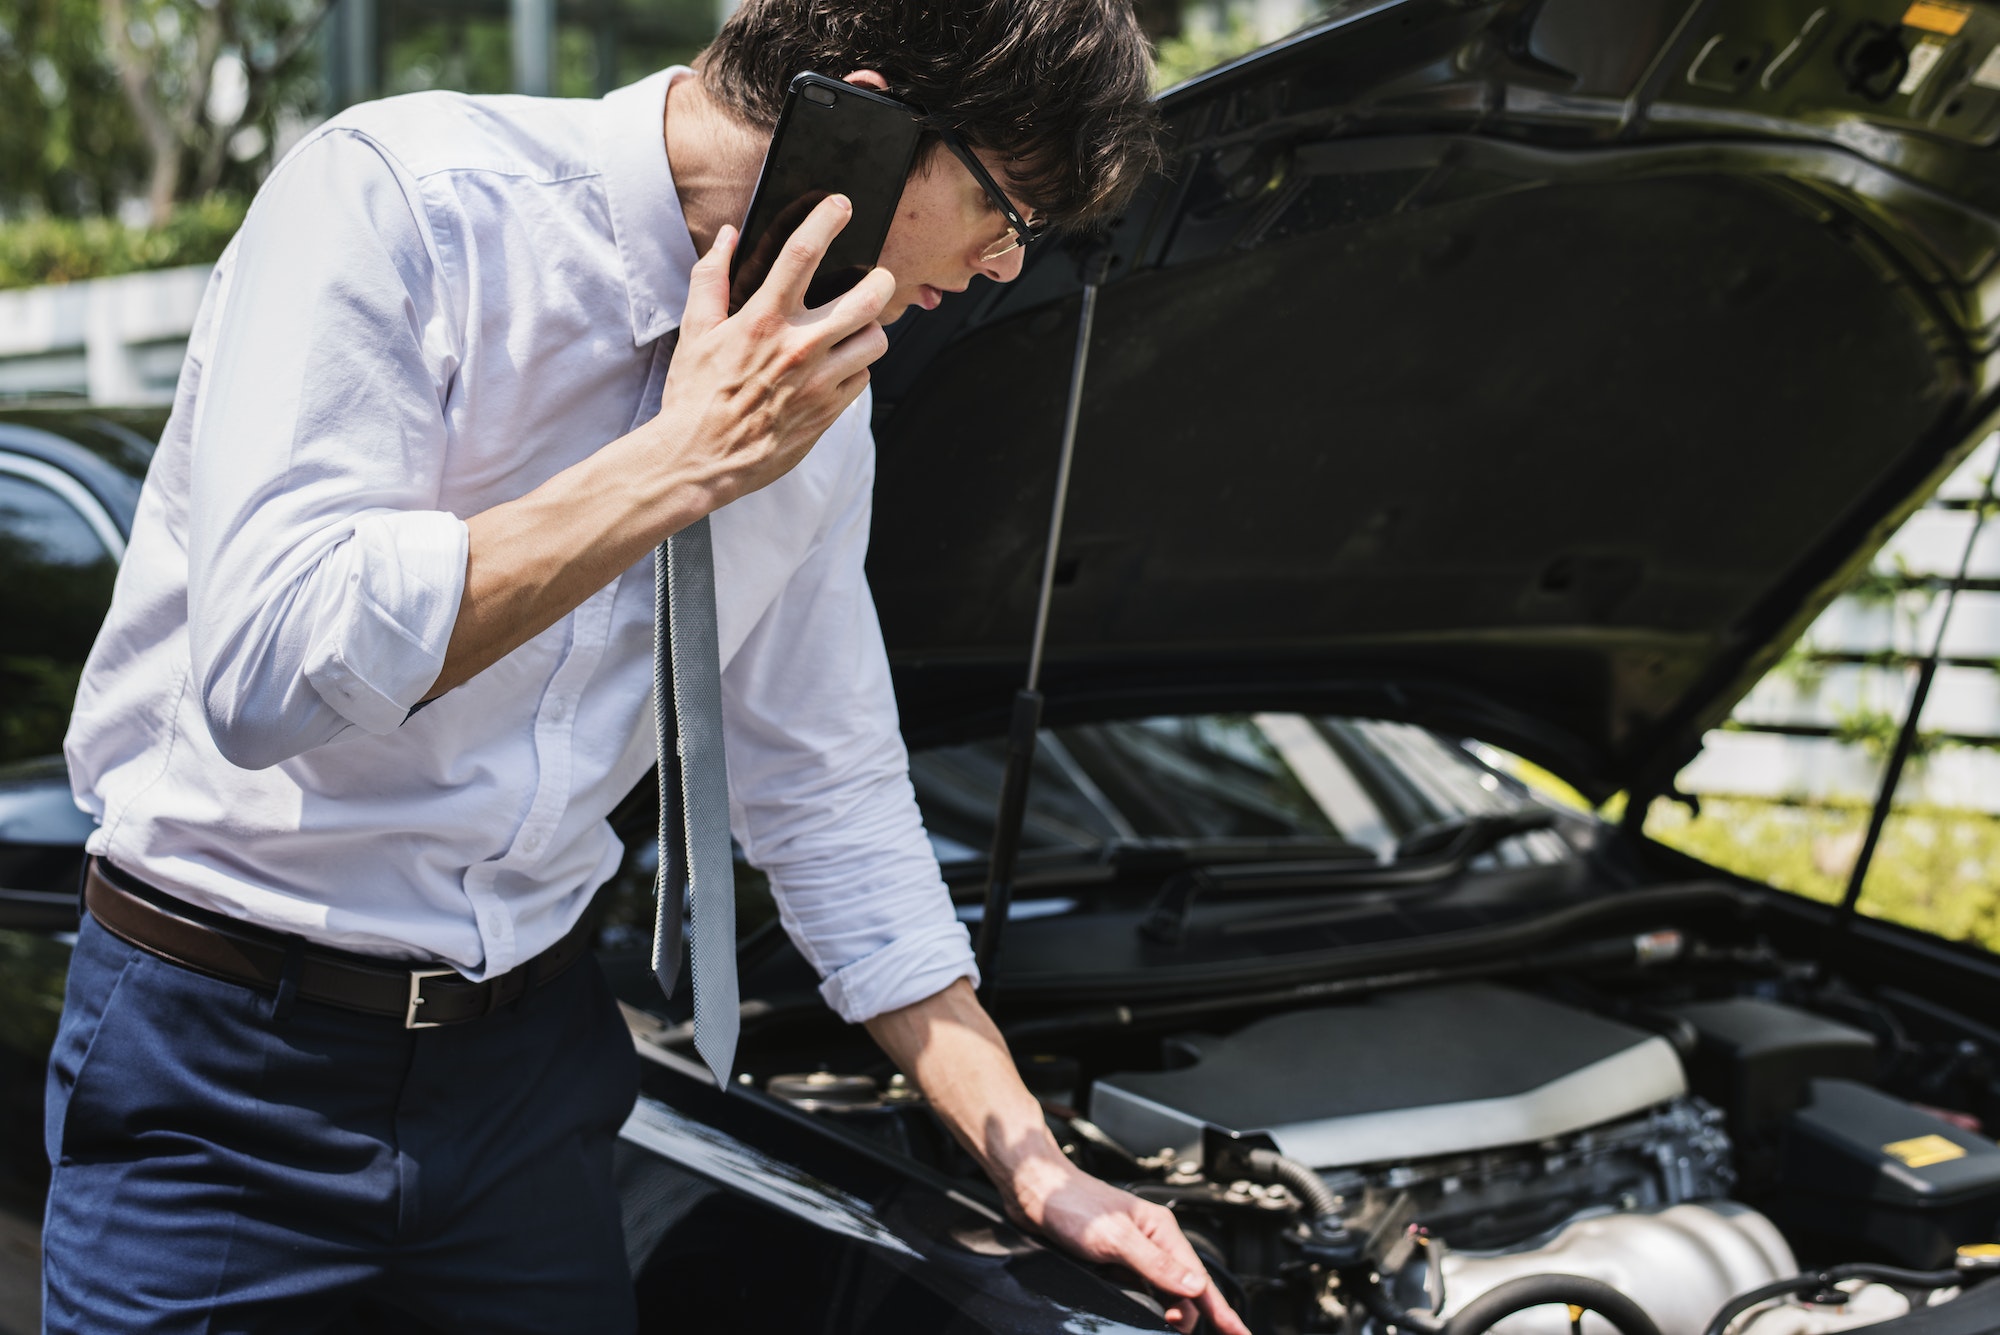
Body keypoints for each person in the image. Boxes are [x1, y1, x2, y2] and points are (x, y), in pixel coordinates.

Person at [44, 0, 1253, 1331]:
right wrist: (678, 464)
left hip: (528, 1075)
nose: (1006, 268)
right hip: (220, 1067)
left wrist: (1032, 1161)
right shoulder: (403, 200)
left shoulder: (816, 407)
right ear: (871, 121)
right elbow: (273, 670)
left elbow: (831, 795)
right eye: (1009, 213)